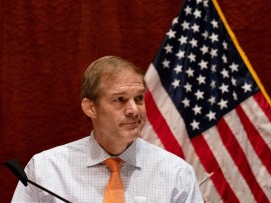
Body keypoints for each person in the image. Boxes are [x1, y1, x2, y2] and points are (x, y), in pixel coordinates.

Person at [11, 56, 203, 203]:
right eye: (120, 99)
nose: (134, 110)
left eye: (138, 99)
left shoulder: (177, 173)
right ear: (91, 108)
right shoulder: (46, 169)